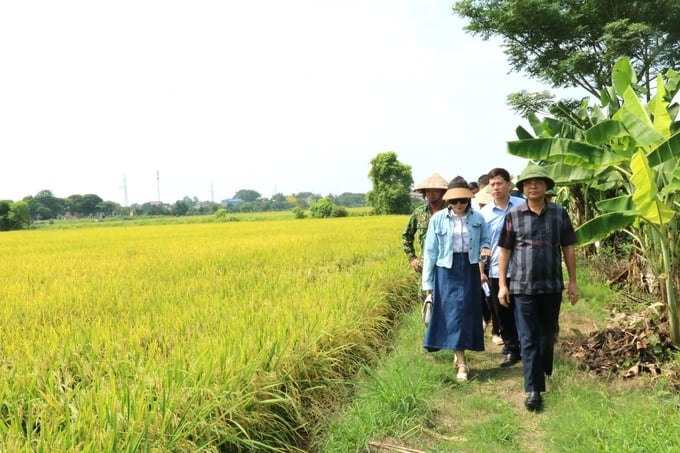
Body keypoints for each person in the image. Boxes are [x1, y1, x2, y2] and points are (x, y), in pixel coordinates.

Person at [497, 166, 579, 412]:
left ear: (546, 186)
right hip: (522, 286)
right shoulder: (513, 215)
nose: (533, 186)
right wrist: (502, 284)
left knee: (546, 335)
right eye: (528, 183)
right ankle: (534, 390)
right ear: (522, 188)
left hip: (552, 285)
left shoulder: (559, 213)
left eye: (538, 182)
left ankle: (542, 366)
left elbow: (568, 248)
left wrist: (572, 281)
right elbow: (505, 251)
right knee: (528, 338)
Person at [422, 178, 492, 382]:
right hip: (446, 270)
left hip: (470, 268)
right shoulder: (438, 220)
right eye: (455, 201)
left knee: (467, 313)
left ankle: (458, 352)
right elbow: (431, 251)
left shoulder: (478, 218)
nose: (459, 205)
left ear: (469, 200)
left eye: (463, 200)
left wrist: (485, 250)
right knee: (452, 313)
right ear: (448, 202)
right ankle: (462, 362)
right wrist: (428, 285)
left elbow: (485, 241)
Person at [479, 168, 526, 367]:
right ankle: (512, 349)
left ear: (508, 184)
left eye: (499, 183)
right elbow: (481, 244)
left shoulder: (522, 206)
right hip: (498, 269)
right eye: (493, 184)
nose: (496, 188)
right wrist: (481, 271)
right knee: (503, 312)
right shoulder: (484, 213)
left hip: (524, 268)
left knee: (524, 310)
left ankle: (526, 347)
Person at [402, 173, 449, 273]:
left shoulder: (451, 212)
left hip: (448, 265)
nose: (430, 193)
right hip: (425, 265)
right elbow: (406, 236)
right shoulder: (419, 212)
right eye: (427, 190)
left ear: (443, 192)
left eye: (435, 190)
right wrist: (412, 258)